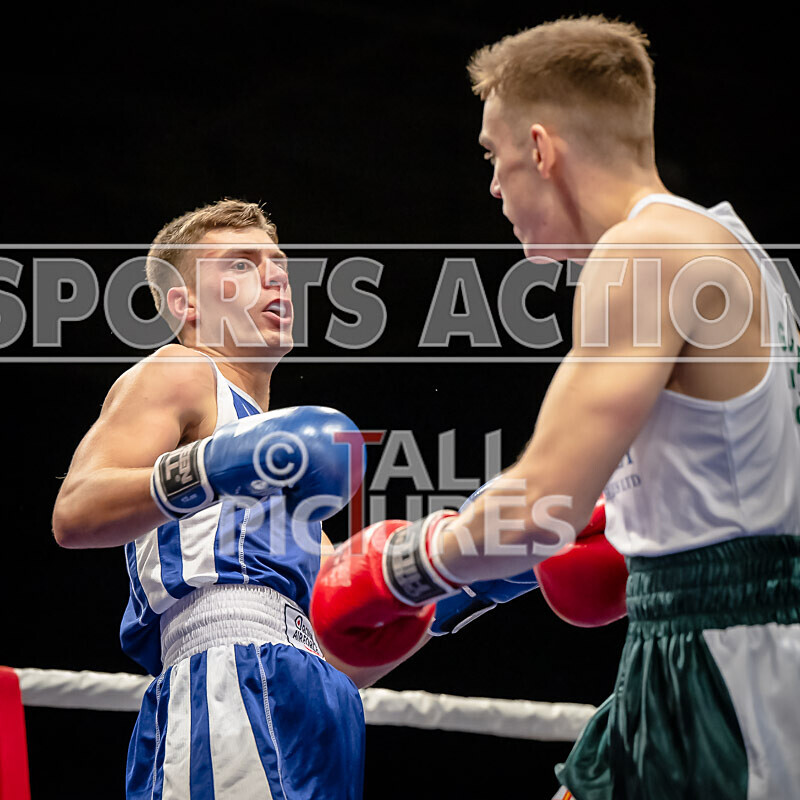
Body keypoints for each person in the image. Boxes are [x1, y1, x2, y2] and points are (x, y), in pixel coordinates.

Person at [310, 16, 800, 799]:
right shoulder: (727, 244)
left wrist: (403, 567)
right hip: (703, 645)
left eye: (493, 156)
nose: (494, 185)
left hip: (726, 666)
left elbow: (542, 507)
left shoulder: (642, 254)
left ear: (540, 148)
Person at [52, 199, 392, 800]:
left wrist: (453, 588)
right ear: (185, 304)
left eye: (278, 263)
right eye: (240, 263)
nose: (275, 276)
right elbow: (76, 509)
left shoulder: (287, 472)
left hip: (321, 704)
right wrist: (216, 462)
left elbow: (348, 658)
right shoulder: (182, 371)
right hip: (225, 681)